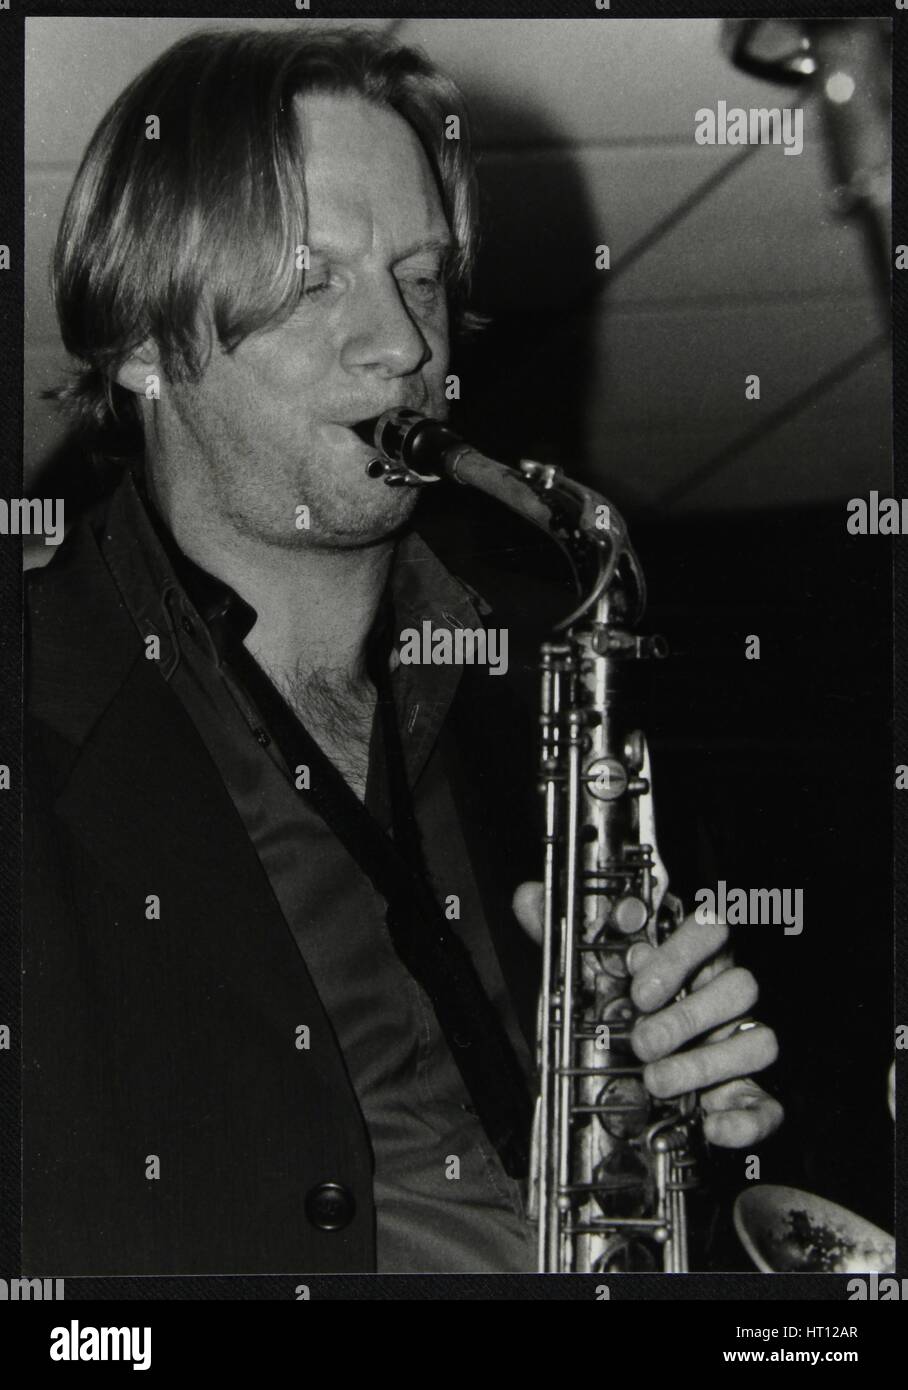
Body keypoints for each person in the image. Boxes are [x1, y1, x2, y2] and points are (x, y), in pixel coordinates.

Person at [23, 26, 782, 1276]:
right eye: (313, 278)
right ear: (147, 344)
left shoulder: (543, 692)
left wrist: (674, 1119)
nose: (403, 348)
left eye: (419, 277)